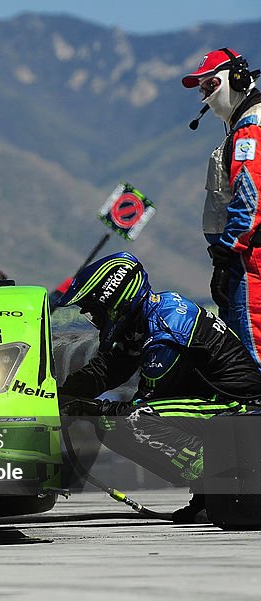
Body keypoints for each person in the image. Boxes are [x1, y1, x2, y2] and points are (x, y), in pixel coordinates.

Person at [56, 252, 261, 522]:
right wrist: (58, 396)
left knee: (131, 422)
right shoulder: (149, 316)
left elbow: (142, 406)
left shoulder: (164, 333)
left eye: (95, 310)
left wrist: (89, 408)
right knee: (111, 422)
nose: (94, 318)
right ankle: (207, 496)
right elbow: (108, 369)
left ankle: (223, 480)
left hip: (239, 410)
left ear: (114, 302)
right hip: (221, 407)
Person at [182, 48, 261, 363]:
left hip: (248, 258)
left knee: (251, 348)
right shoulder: (244, 124)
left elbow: (250, 196)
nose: (205, 94)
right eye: (201, 88)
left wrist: (226, 254)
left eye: (210, 84)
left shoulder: (250, 128)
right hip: (240, 256)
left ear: (237, 78)